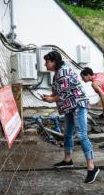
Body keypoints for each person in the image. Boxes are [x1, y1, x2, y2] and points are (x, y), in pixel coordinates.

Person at [41, 51, 100, 184]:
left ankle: (92, 167)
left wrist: (51, 100)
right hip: (69, 106)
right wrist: (48, 96)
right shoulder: (57, 74)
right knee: (67, 134)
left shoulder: (63, 72)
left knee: (82, 135)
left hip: (78, 104)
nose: (45, 64)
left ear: (54, 61)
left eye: (47, 61)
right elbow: (57, 92)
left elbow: (64, 94)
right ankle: (68, 160)